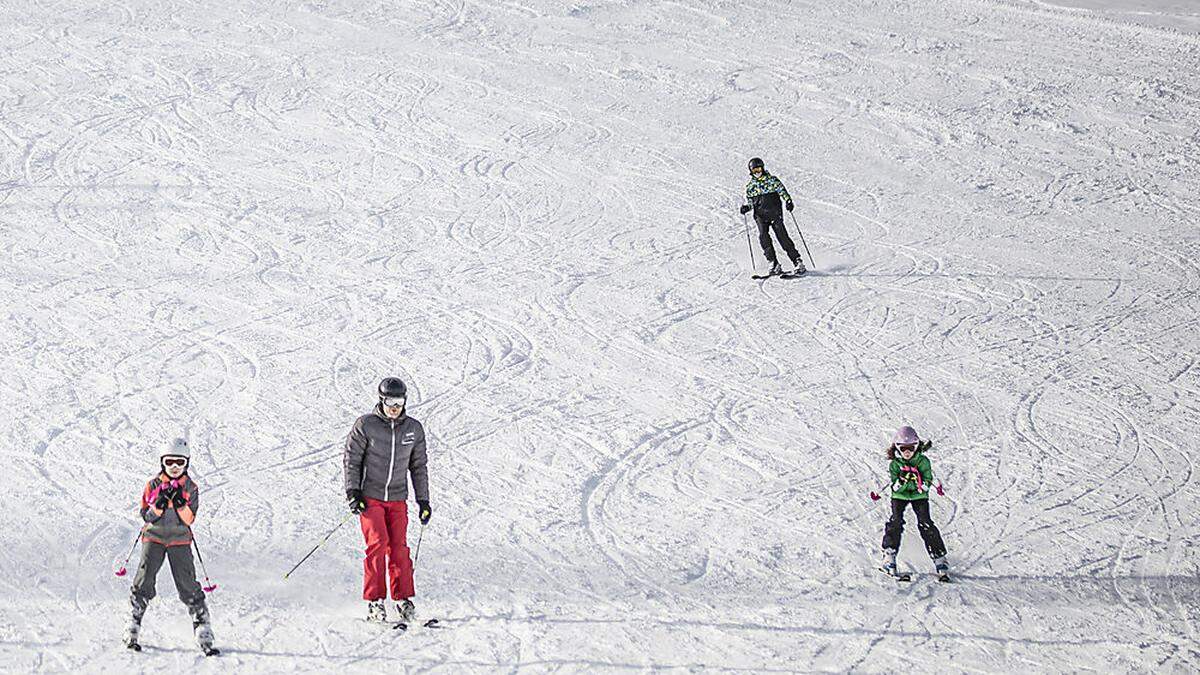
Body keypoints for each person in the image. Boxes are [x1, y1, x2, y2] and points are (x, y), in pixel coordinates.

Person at [344, 377, 431, 623]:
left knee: (399, 549)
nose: (395, 407)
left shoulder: (413, 429)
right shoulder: (366, 425)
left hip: (397, 497)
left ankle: (402, 599)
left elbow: (419, 466)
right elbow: (352, 459)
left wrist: (423, 501)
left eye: (400, 401)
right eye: (391, 401)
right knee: (377, 544)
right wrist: (353, 492)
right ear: (381, 400)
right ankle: (375, 602)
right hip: (370, 497)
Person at [125, 438, 217, 654]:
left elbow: (189, 519)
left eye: (180, 462)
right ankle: (134, 618)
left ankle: (201, 623)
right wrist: (158, 506)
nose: (174, 467)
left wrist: (179, 504)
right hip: (154, 537)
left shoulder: (190, 487)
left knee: (186, 579)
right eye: (169, 462)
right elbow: (146, 516)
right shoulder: (153, 485)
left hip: (179, 539)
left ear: (187, 463)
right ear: (162, 463)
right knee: (145, 575)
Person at [880, 426, 949, 579]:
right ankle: (889, 555)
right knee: (896, 521)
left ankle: (939, 558)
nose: (907, 452)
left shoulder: (922, 461)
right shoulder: (895, 464)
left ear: (917, 446)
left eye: (911, 448)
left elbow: (927, 477)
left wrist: (922, 485)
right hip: (900, 496)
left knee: (925, 522)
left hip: (919, 496)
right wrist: (901, 482)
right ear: (897, 447)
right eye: (903, 448)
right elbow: (894, 482)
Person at [739, 157, 805, 276]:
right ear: (751, 172)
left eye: (759, 169)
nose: (757, 172)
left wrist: (788, 201)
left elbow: (782, 191)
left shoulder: (772, 181)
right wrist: (746, 208)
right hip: (760, 215)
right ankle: (773, 263)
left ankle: (797, 261)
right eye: (754, 171)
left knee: (782, 237)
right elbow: (750, 202)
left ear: (763, 168)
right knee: (763, 237)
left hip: (774, 212)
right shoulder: (750, 186)